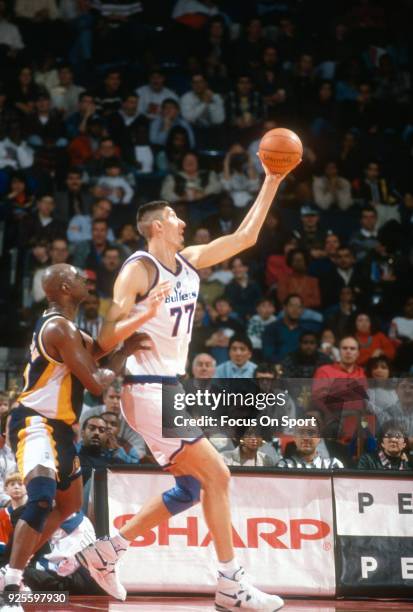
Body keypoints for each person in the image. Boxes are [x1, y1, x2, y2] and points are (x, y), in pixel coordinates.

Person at [68, 156, 295, 609]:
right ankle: (231, 583)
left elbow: (246, 237)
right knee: (220, 474)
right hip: (149, 389)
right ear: (155, 227)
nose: (183, 221)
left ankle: (105, 551)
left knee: (191, 488)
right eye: (174, 217)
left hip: (169, 387)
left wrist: (272, 180)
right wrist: (143, 313)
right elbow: (104, 337)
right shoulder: (139, 268)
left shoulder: (188, 262)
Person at [2, 263, 143, 595]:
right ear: (64, 286)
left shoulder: (70, 329)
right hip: (35, 422)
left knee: (69, 505)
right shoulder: (59, 329)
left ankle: (11, 568)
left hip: (61, 429)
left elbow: (98, 351)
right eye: (80, 277)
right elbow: (96, 382)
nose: (86, 279)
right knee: (40, 500)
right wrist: (126, 353)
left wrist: (136, 317)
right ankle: (10, 583)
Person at [276, 420, 344, 469]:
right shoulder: (284, 466)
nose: (306, 438)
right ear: (295, 438)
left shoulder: (333, 465)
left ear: (319, 438)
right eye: (301, 433)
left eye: (311, 433)